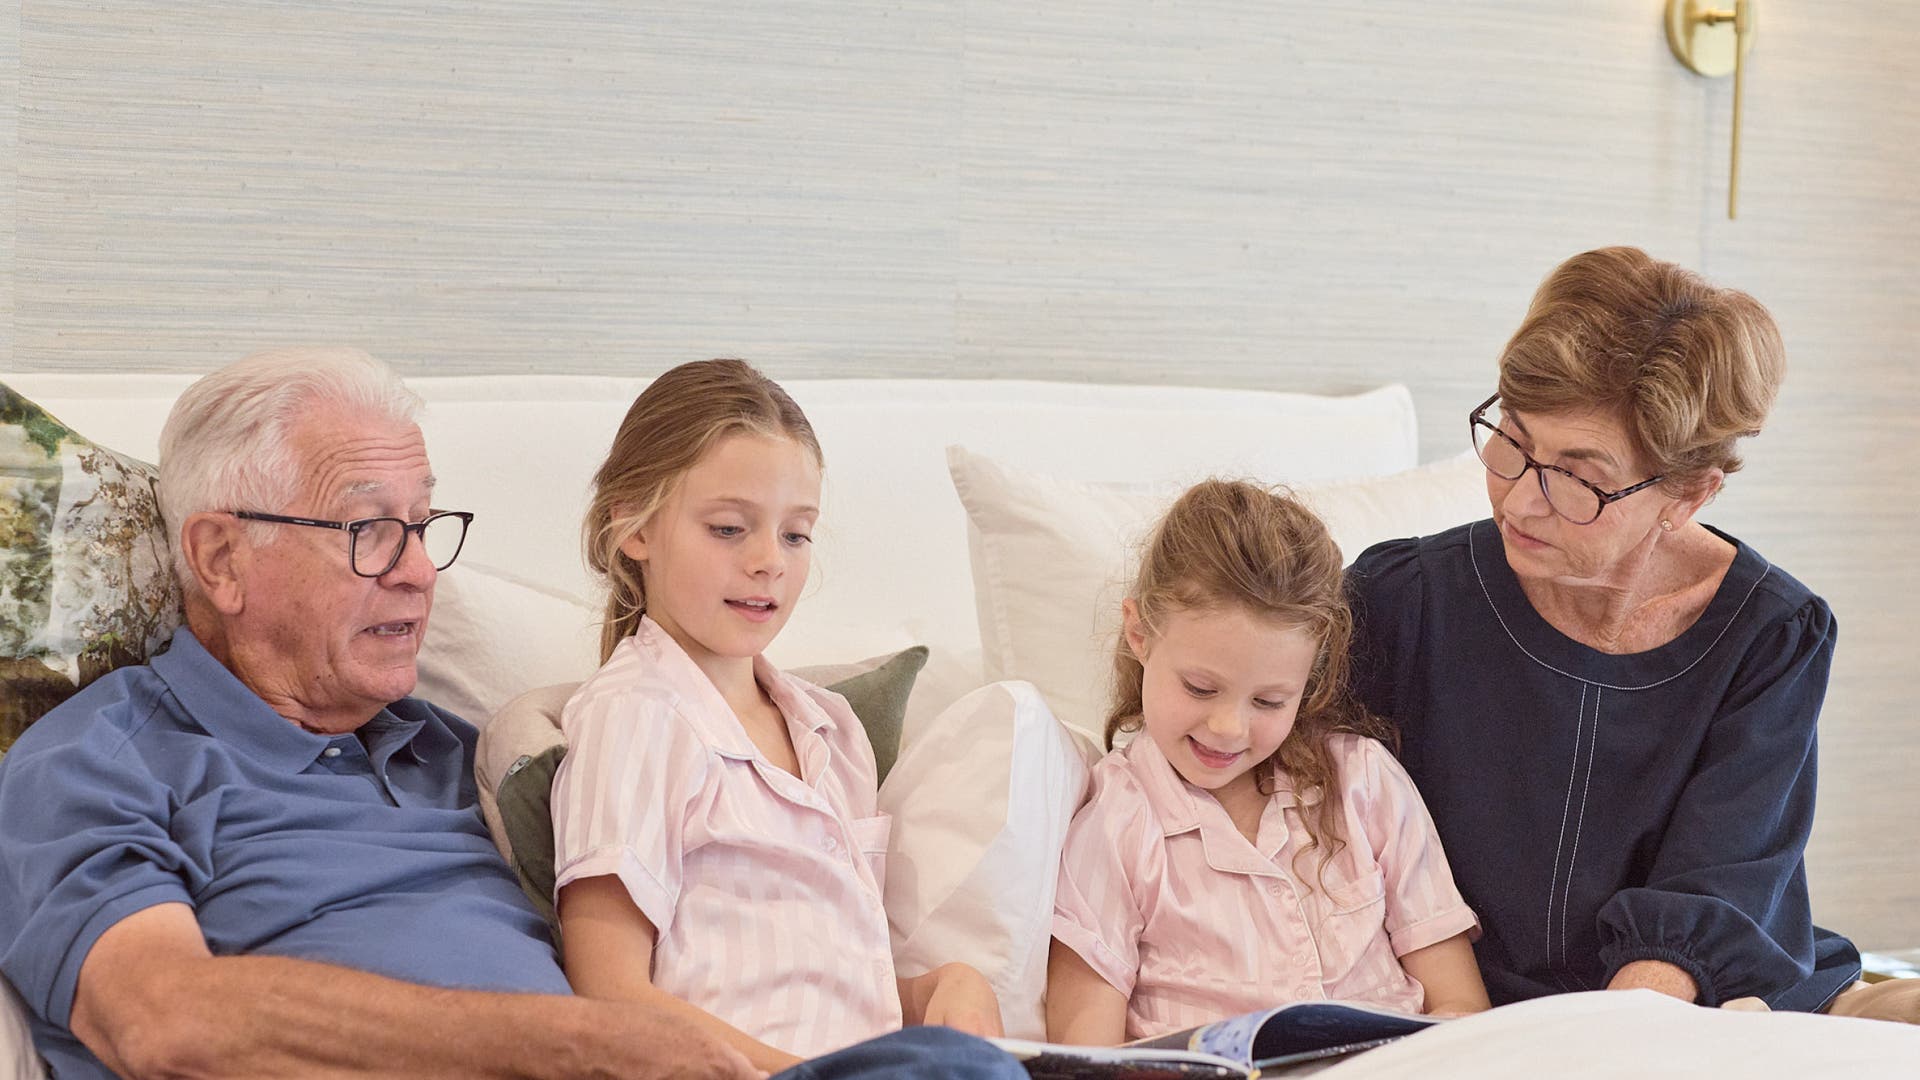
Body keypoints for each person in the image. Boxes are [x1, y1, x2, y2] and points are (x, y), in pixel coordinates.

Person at [0, 347, 1020, 1080]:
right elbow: (163, 1018)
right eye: (368, 530)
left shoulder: (471, 751)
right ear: (222, 558)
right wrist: (579, 1045)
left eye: (424, 526)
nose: (418, 573)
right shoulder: (97, 757)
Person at [1345, 246, 1881, 1016]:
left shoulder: (1770, 635)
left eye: (1579, 479)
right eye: (1513, 441)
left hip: (1678, 981)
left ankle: (1857, 1003)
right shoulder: (1402, 598)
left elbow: (1718, 883)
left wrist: (1611, 1036)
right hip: (1463, 992)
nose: (1520, 502)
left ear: (1688, 495)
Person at [549, 359, 1005, 1074]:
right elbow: (611, 995)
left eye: (796, 534)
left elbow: (835, 985)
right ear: (634, 528)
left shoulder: (831, 729)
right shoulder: (634, 717)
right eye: (729, 528)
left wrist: (942, 988)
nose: (770, 561)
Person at [1045, 480, 1489, 1045]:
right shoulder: (1116, 821)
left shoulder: (1363, 782)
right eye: (1200, 688)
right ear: (1139, 633)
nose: (1229, 728)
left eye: (1269, 701)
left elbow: (1461, 1004)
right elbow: (1087, 1052)